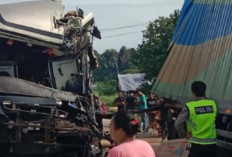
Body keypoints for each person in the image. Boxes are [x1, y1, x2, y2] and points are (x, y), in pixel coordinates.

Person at [175, 81, 217, 157]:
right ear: (204, 91)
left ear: (193, 92)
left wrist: (184, 134)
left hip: (195, 144)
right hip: (211, 143)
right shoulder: (212, 104)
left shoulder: (190, 106)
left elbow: (177, 124)